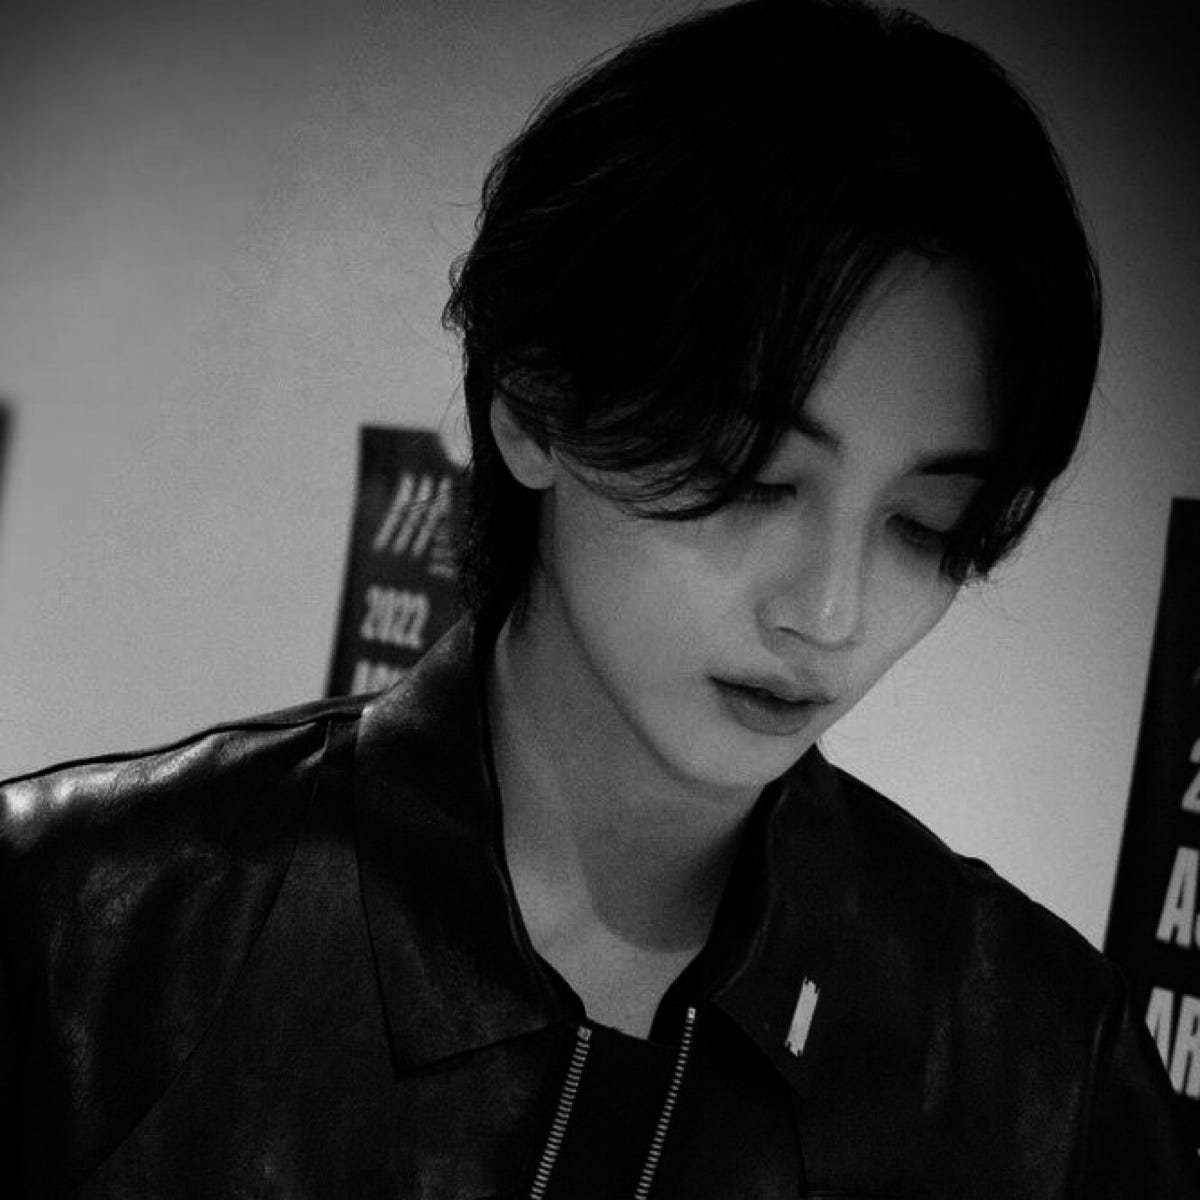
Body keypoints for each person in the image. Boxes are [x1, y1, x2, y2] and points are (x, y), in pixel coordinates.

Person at [1, 1, 1195, 1196]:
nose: (829, 613)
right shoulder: (93, 935)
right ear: (534, 407)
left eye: (924, 524)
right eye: (752, 478)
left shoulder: (1043, 1080)